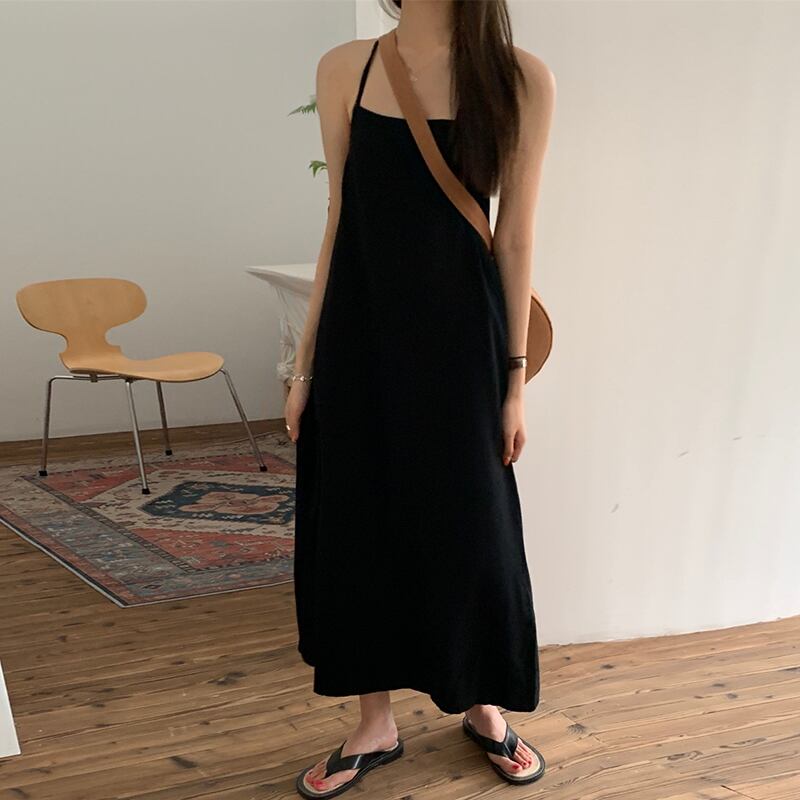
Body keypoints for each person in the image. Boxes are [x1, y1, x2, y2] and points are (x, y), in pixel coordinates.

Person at [284, 1, 556, 796]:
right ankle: (374, 721)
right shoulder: (347, 68)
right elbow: (341, 219)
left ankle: (483, 703)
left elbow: (516, 237)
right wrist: (305, 366)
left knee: (473, 527)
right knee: (357, 521)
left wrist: (512, 382)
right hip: (360, 336)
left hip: (462, 345)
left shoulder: (519, 77)